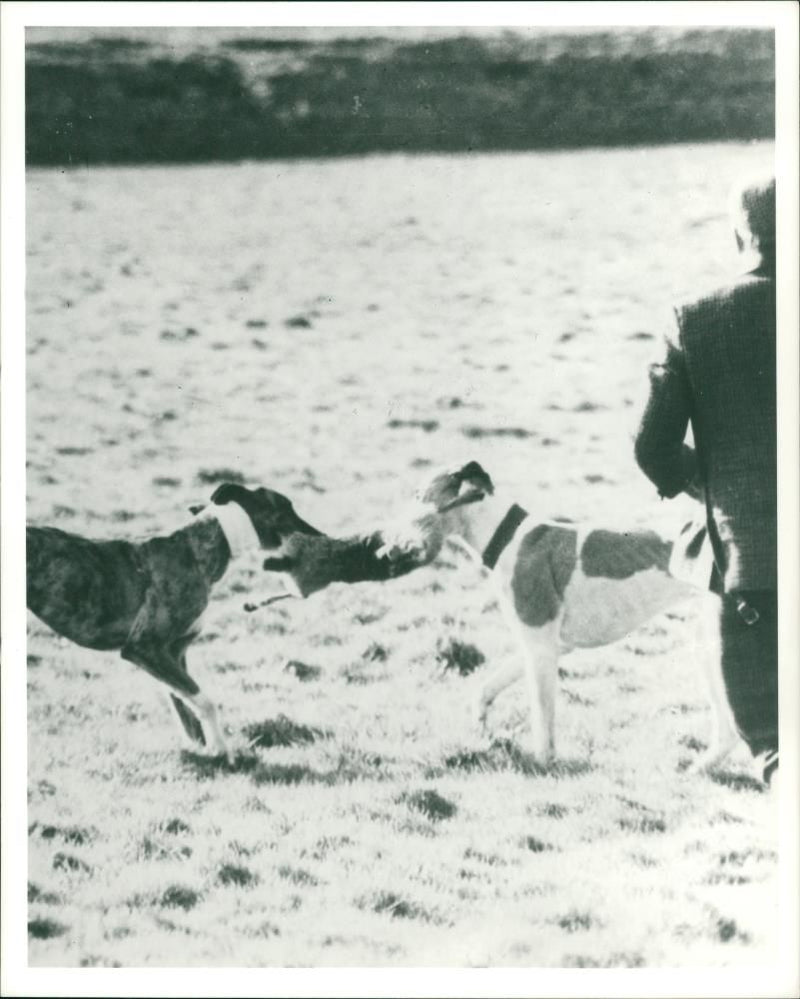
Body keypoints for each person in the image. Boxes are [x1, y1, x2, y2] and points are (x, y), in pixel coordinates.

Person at [634, 174, 778, 785]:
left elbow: (653, 447)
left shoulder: (694, 318)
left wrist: (710, 486)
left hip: (755, 564)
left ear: (739, 234)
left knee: (777, 747)